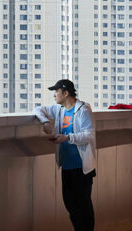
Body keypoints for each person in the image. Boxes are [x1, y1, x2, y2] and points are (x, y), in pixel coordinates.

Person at [34, 79, 97, 231]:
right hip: (67, 166)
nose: (54, 95)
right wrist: (45, 122)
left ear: (66, 93)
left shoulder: (83, 109)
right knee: (70, 204)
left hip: (82, 167)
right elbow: (38, 109)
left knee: (83, 205)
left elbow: (89, 135)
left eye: (56, 92)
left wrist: (68, 138)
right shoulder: (59, 110)